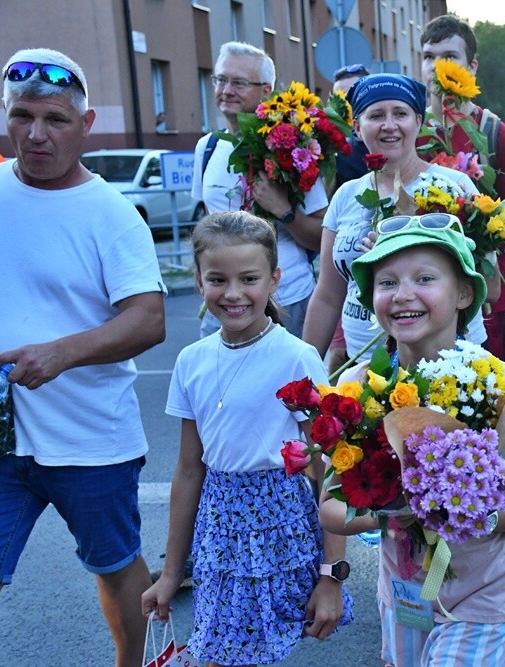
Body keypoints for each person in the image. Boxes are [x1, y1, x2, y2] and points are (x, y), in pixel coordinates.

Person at [0, 48, 166, 667]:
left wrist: (60, 354)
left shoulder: (112, 215)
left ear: (85, 125)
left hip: (90, 438)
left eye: (55, 119)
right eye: (22, 115)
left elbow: (149, 319)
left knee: (114, 566)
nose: (36, 134)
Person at [321, 212, 505, 666]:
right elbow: (330, 507)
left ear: (465, 293)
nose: (403, 294)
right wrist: (393, 516)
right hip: (405, 592)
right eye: (386, 282)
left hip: (483, 593)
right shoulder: (359, 388)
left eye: (425, 278)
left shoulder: (502, 385)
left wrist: (466, 517)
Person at [142, 211, 353, 665]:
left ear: (275, 279)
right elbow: (188, 470)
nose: (233, 293)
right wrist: (172, 573)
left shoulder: (296, 358)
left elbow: (331, 465)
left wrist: (332, 576)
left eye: (249, 278)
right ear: (198, 282)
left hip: (283, 526)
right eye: (217, 279)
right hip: (217, 529)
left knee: (243, 655)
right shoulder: (191, 361)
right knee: (224, 653)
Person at [303, 73, 488, 363]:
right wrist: (306, 365)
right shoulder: (345, 195)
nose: (389, 125)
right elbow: (327, 294)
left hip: (445, 362)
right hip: (364, 361)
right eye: (376, 115)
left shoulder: (455, 187)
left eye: (400, 113)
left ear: (418, 121)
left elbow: (484, 280)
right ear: (357, 127)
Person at [192, 41, 327, 339]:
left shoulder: (295, 149)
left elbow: (323, 237)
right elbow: (205, 224)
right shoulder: (207, 147)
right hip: (221, 307)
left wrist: (284, 211)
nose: (226, 90)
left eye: (238, 82)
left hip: (287, 301)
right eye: (221, 79)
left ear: (267, 90)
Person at [419, 14, 505, 361]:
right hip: (419, 292)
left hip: (480, 293)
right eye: (428, 56)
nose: (437, 66)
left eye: (449, 57)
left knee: (482, 405)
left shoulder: (497, 133)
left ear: (471, 66)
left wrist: (480, 221)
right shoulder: (407, 129)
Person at [325, 63, 373, 375]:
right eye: (340, 99)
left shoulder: (443, 184)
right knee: (338, 362)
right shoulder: (329, 150)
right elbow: (326, 294)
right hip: (346, 281)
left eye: (353, 95)